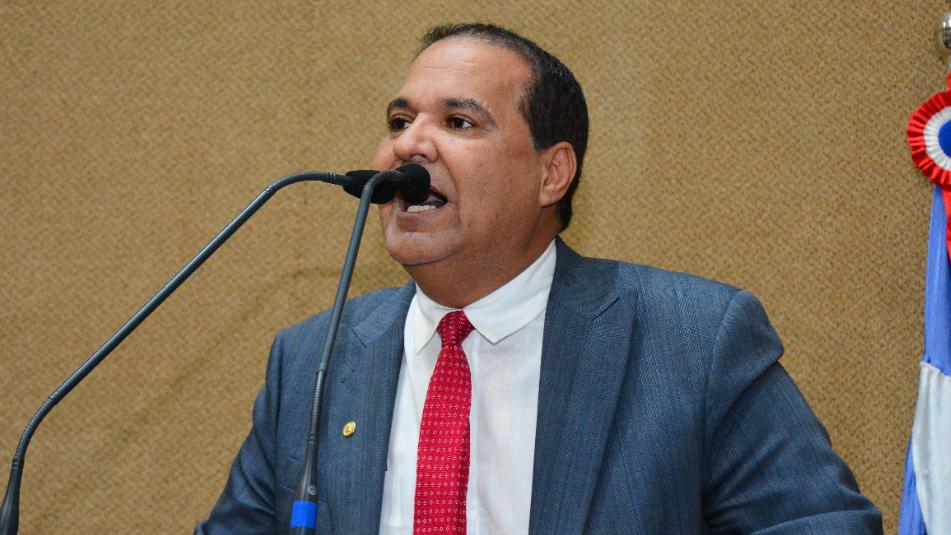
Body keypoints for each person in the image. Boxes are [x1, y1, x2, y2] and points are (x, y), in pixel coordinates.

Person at [195, 23, 883, 534]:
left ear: (552, 173)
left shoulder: (692, 340)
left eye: (458, 120)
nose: (408, 144)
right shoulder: (311, 358)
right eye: (399, 120)